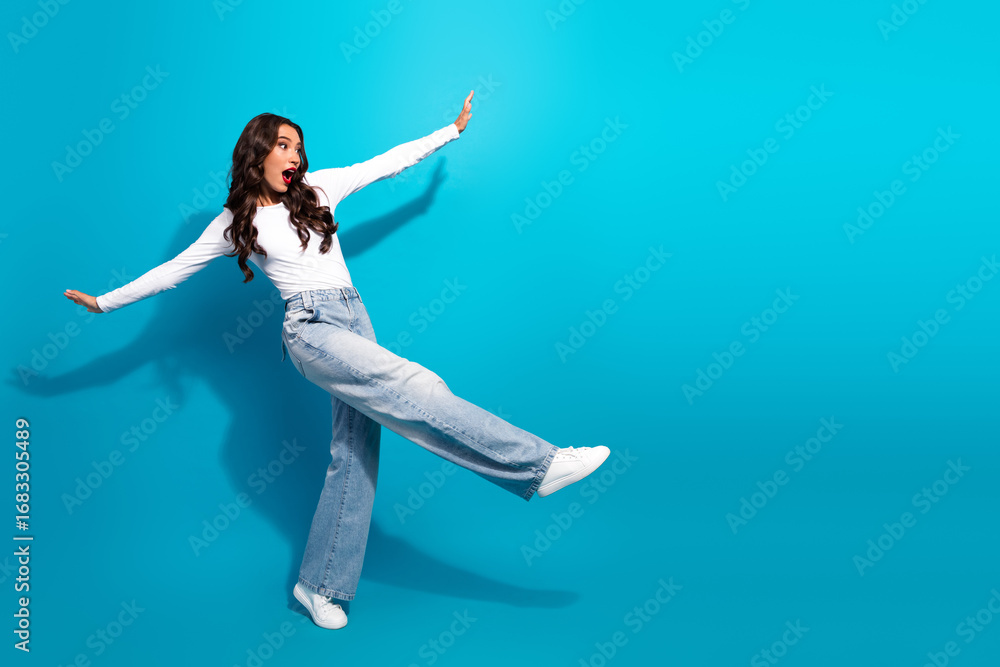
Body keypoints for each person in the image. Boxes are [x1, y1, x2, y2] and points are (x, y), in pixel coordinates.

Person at [63, 90, 611, 630]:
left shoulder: (319, 190)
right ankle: (538, 466)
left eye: (299, 147)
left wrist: (451, 131)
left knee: (354, 454)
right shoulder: (238, 219)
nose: (295, 156)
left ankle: (318, 584)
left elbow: (385, 164)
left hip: (355, 320)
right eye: (283, 146)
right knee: (416, 387)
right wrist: (105, 302)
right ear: (259, 152)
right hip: (310, 330)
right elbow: (175, 270)